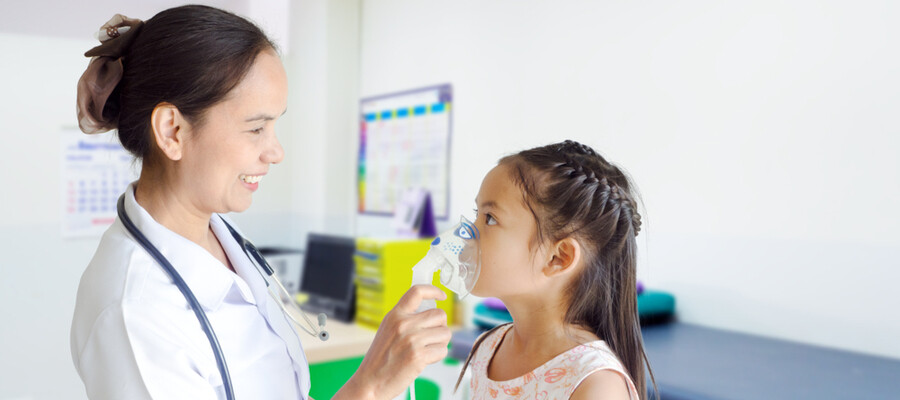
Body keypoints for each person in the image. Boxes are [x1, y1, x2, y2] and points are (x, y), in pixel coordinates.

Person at [70, 5, 450, 400]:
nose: (276, 151)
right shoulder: (134, 316)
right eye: (256, 128)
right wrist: (370, 386)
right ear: (173, 131)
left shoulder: (220, 235)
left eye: (274, 124)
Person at [457, 140, 656, 399]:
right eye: (477, 214)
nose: (467, 232)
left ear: (558, 258)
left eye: (490, 218)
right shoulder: (488, 347)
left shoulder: (596, 385)